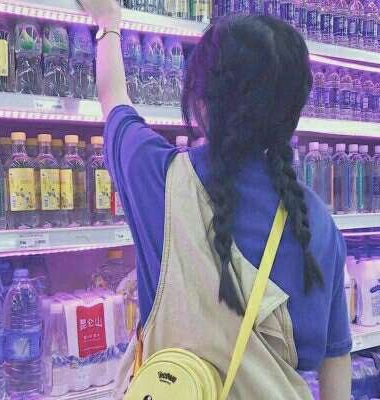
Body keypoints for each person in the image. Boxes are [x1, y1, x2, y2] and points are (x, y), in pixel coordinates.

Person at [78, 1, 352, 398]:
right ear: (291, 111)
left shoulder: (160, 180)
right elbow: (334, 356)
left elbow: (114, 100)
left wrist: (108, 23)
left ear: (201, 98)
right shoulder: (316, 223)